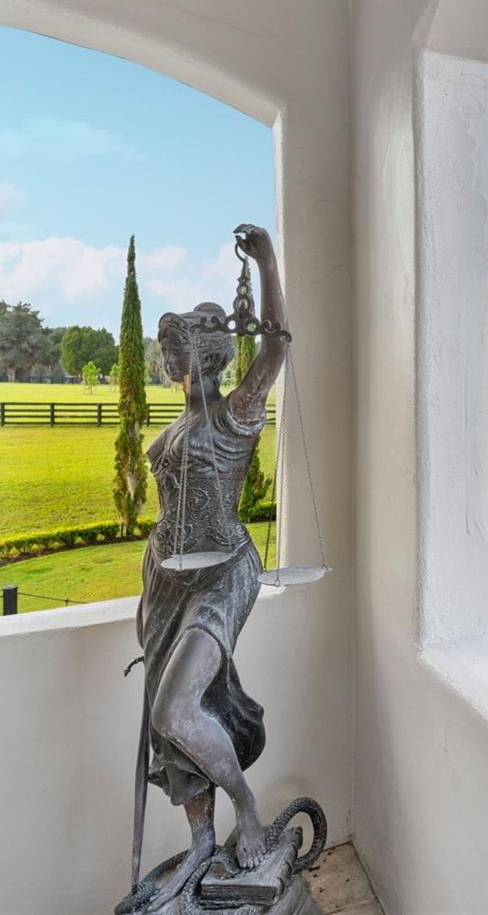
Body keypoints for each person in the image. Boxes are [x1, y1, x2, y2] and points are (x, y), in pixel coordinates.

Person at [132, 223, 287, 905]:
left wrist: (268, 262)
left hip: (224, 572)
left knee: (174, 709)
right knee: (169, 732)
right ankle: (200, 840)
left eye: (177, 355)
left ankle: (247, 810)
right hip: (167, 580)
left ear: (204, 360)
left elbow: (278, 343)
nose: (171, 366)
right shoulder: (170, 428)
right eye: (169, 356)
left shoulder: (235, 414)